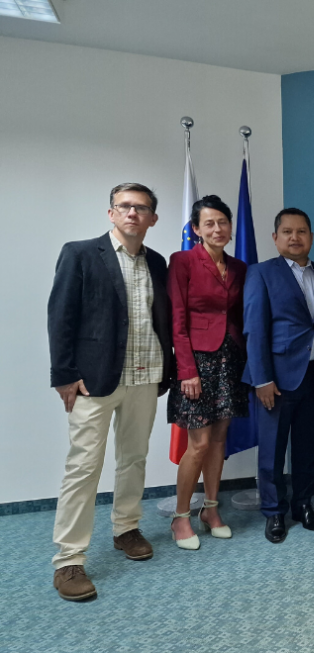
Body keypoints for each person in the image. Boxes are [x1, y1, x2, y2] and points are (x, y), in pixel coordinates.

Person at [48, 183, 174, 601]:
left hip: (145, 376)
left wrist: (166, 372)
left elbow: (163, 320)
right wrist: (64, 374)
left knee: (133, 458)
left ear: (153, 218)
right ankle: (69, 560)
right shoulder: (80, 254)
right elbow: (61, 316)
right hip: (94, 381)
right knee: (83, 467)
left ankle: (126, 528)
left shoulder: (158, 263)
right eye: (124, 206)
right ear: (111, 213)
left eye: (141, 208)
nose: (132, 213)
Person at [242, 208, 314, 545]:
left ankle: (303, 504)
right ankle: (273, 512)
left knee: (308, 448)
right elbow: (254, 329)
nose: (295, 238)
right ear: (276, 237)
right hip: (276, 380)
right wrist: (261, 379)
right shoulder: (261, 273)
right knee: (272, 450)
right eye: (287, 232)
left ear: (311, 236)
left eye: (301, 231)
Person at [167, 195, 249, 549]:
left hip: (229, 360)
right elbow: (177, 320)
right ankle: (181, 517)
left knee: (218, 441)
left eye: (223, 222)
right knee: (197, 444)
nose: (218, 229)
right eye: (209, 223)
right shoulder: (182, 262)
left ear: (230, 228)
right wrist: (187, 370)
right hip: (196, 364)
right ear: (197, 229)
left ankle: (211, 510)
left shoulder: (240, 267)